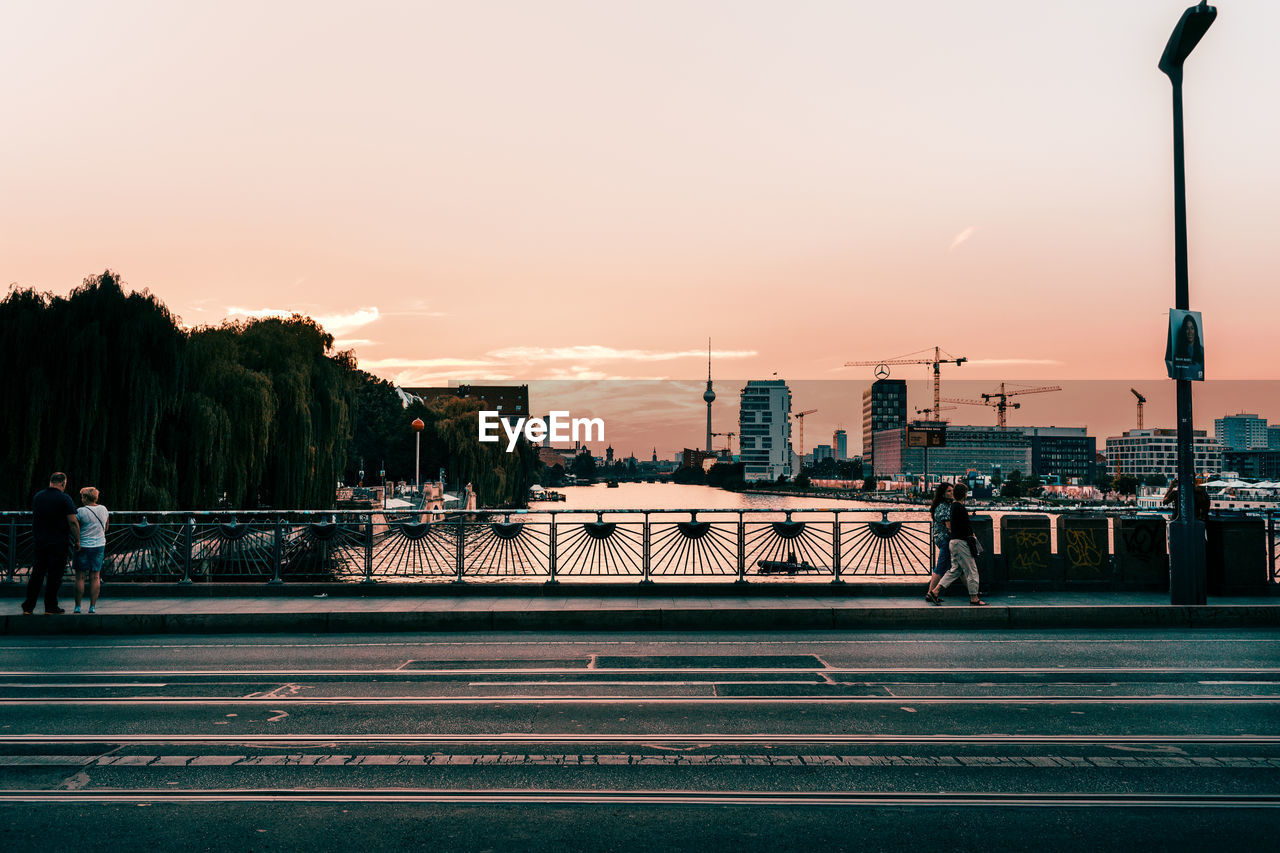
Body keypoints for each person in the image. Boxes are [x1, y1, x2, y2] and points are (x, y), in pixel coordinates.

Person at [22, 472, 80, 616]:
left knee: (37, 574)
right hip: (58, 543)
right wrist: (78, 539)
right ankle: (50, 607)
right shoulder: (64, 498)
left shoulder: (38, 496)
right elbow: (73, 521)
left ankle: (28, 607)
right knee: (55, 575)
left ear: (50, 481)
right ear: (63, 483)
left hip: (40, 541)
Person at [935, 482, 987, 606]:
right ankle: (974, 597)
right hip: (961, 542)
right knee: (972, 570)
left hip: (954, 542)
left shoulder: (953, 506)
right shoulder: (960, 508)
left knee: (955, 570)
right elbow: (964, 527)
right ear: (964, 494)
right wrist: (972, 536)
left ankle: (935, 592)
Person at [73, 486, 109, 614]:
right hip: (99, 545)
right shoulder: (103, 509)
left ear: (86, 498)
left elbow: (75, 528)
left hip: (83, 545)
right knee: (95, 577)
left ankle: (78, 606)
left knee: (80, 577)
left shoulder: (80, 512)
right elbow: (106, 527)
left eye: (82, 496)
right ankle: (92, 607)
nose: (81, 499)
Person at [925, 482, 954, 605]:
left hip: (941, 538)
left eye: (952, 490)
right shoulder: (943, 506)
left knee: (952, 566)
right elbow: (949, 526)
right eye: (949, 491)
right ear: (942, 494)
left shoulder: (944, 505)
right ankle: (930, 593)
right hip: (945, 539)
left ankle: (974, 592)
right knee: (941, 566)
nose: (951, 492)